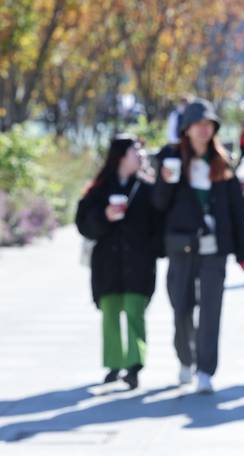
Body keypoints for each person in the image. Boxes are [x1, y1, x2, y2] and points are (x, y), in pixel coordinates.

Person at [153, 98, 244, 394]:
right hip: (181, 245)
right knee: (180, 306)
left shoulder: (222, 162)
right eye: (198, 124)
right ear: (186, 129)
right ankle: (186, 358)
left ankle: (206, 370)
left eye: (209, 125)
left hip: (215, 249)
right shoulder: (171, 158)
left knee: (211, 310)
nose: (203, 130)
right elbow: (158, 203)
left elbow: (237, 210)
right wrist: (166, 181)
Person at [75, 134, 161, 390]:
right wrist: (104, 216)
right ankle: (114, 364)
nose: (141, 157)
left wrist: (152, 250)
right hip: (108, 264)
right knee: (110, 314)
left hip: (138, 262)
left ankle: (135, 365)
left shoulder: (147, 189)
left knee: (136, 312)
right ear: (121, 156)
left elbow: (158, 225)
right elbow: (83, 224)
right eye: (136, 152)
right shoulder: (99, 189)